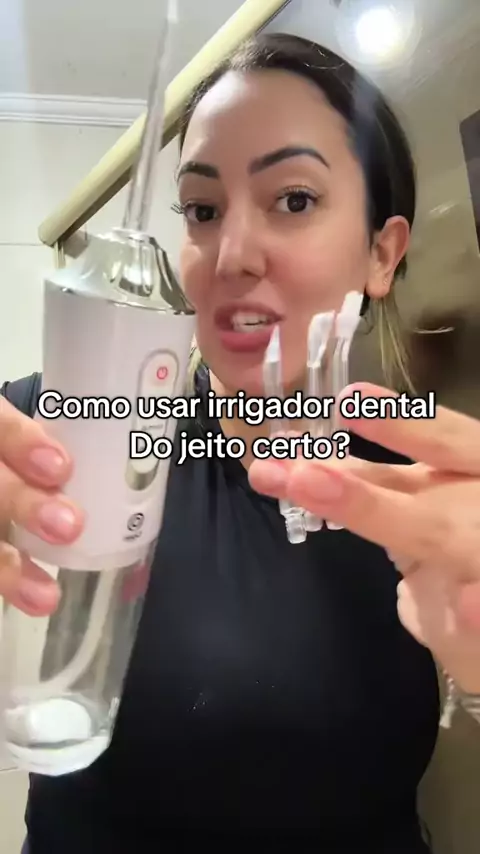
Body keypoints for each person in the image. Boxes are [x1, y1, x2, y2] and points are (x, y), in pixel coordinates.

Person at [1, 32, 480, 854]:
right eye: (202, 209)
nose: (231, 256)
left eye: (293, 199)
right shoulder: (76, 425)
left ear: (382, 252)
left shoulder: (433, 481)